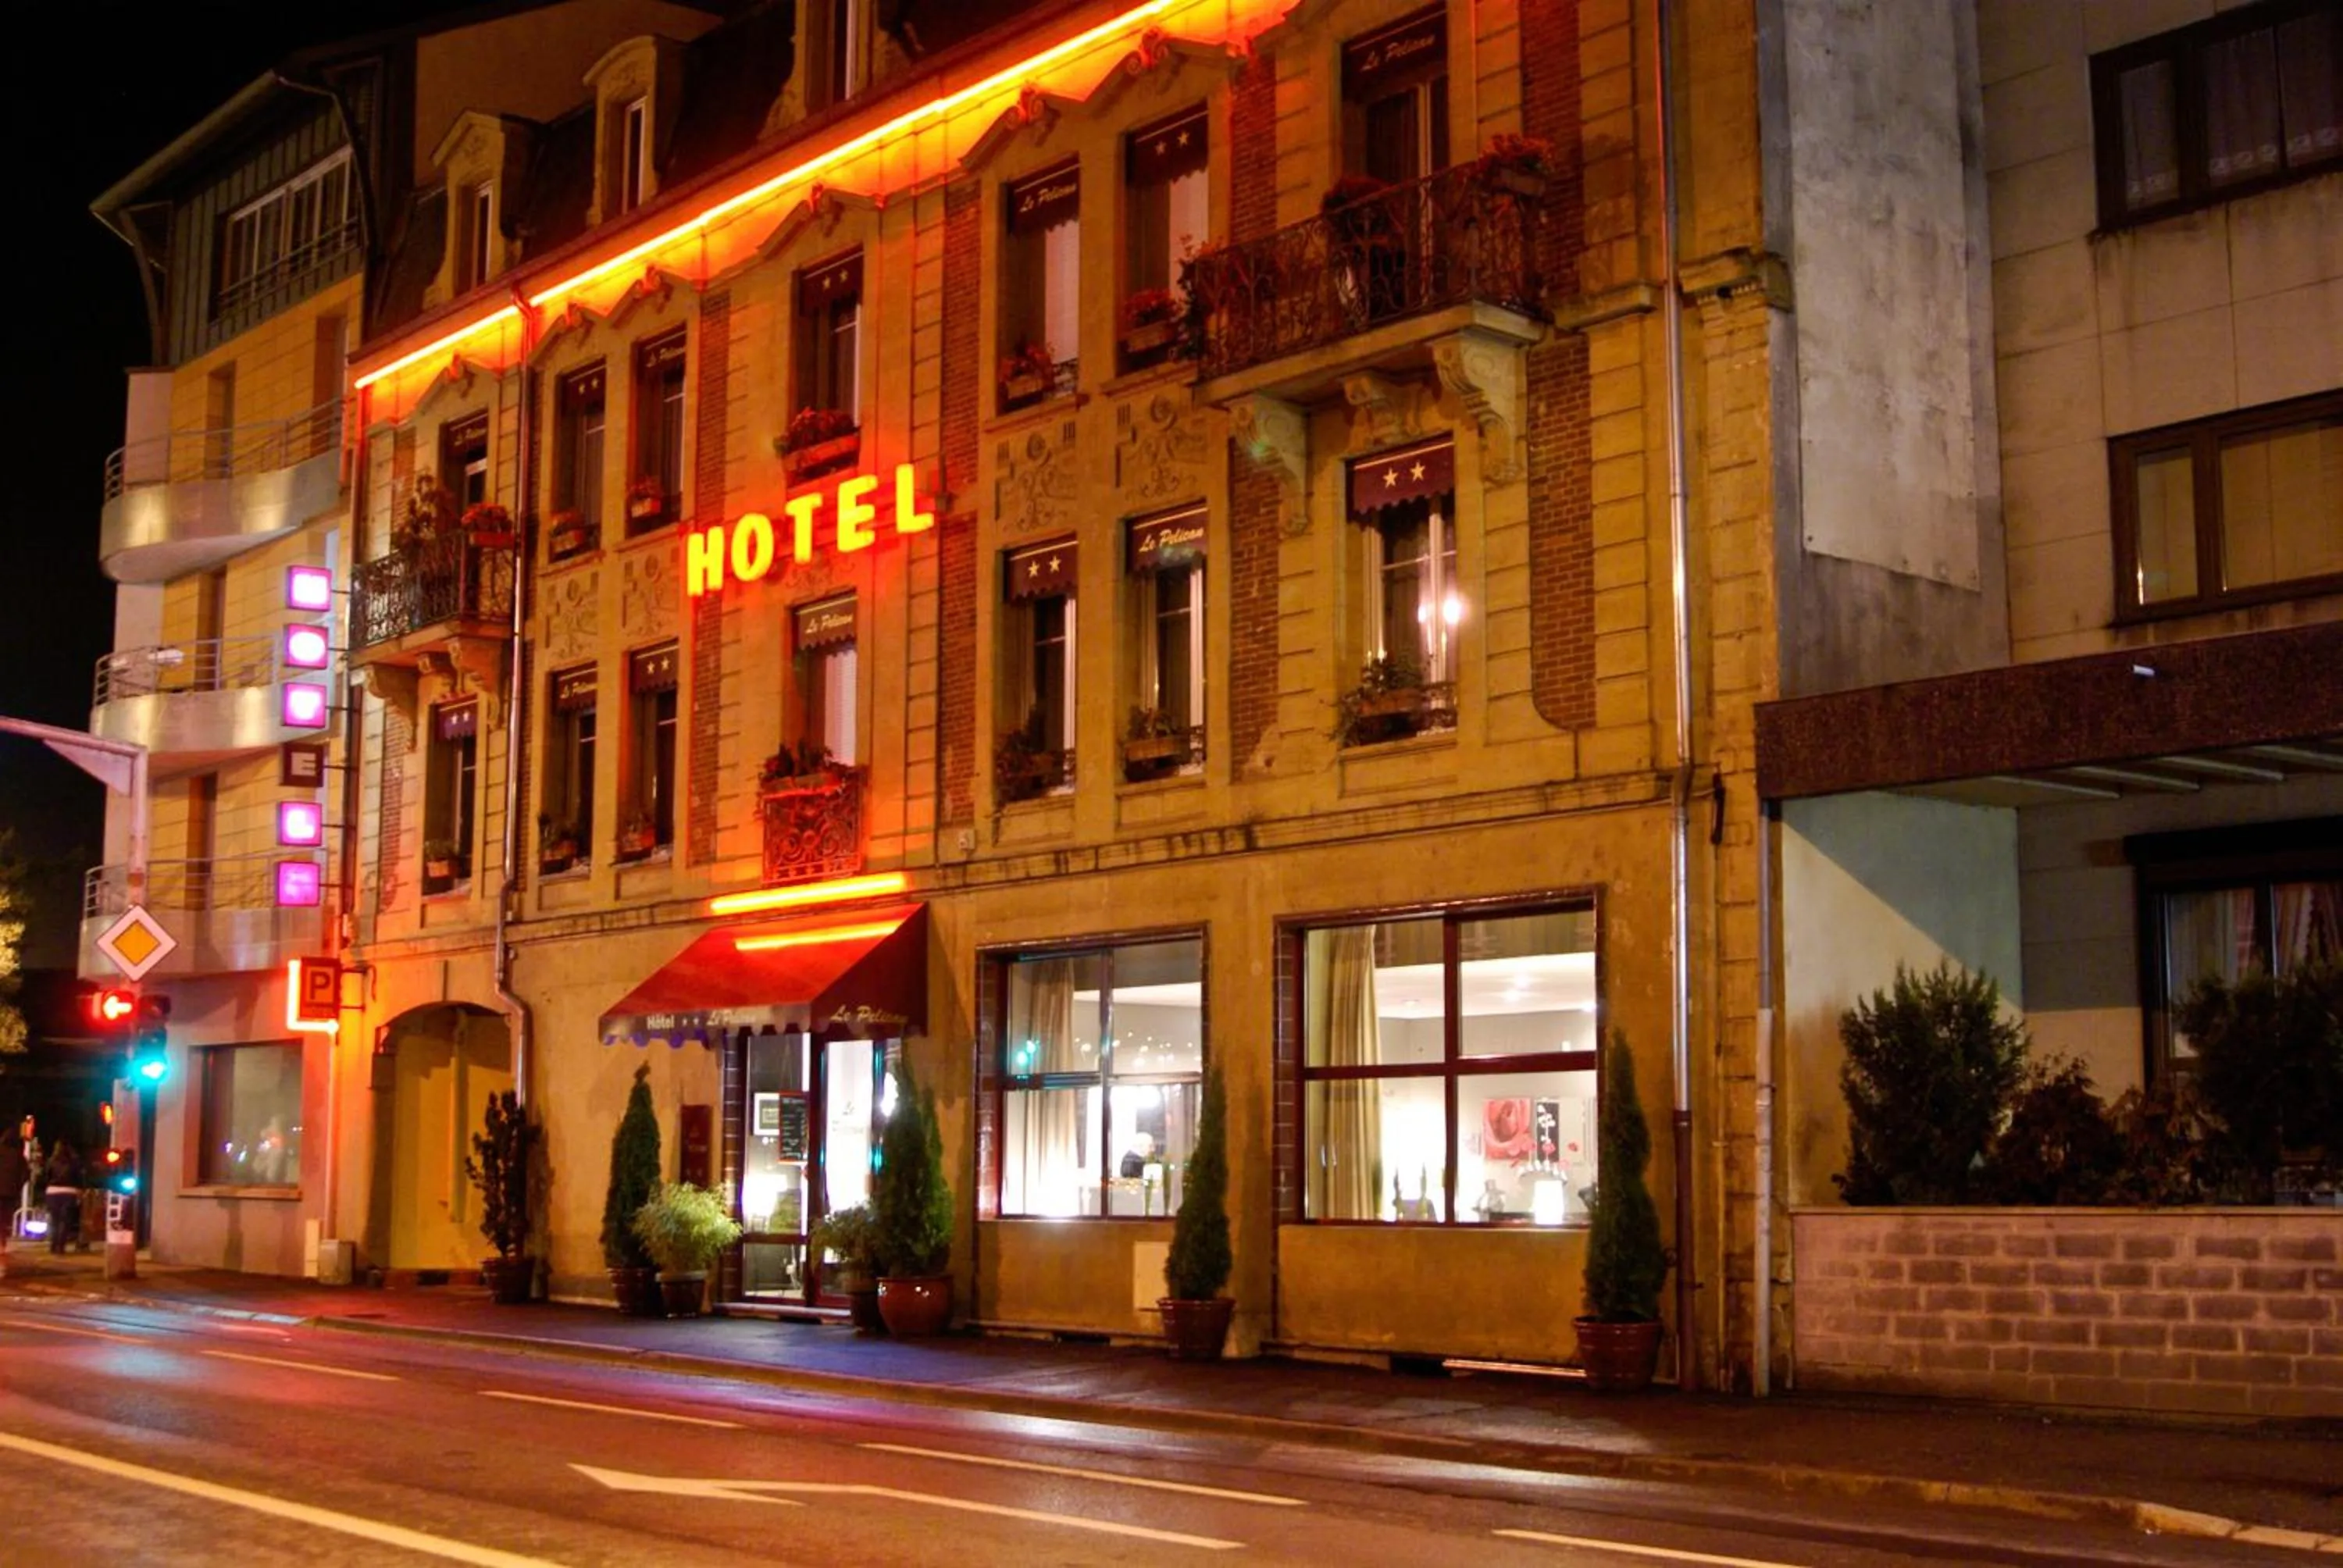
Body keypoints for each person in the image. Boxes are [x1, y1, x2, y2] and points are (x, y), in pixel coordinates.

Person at [44, 1142, 80, 1255]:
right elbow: (79, 1178)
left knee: (54, 1220)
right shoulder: (74, 1162)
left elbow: (47, 1176)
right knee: (65, 1221)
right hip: (69, 1192)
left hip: (53, 1191)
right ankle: (61, 1246)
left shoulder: (51, 1161)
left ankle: (53, 1245)